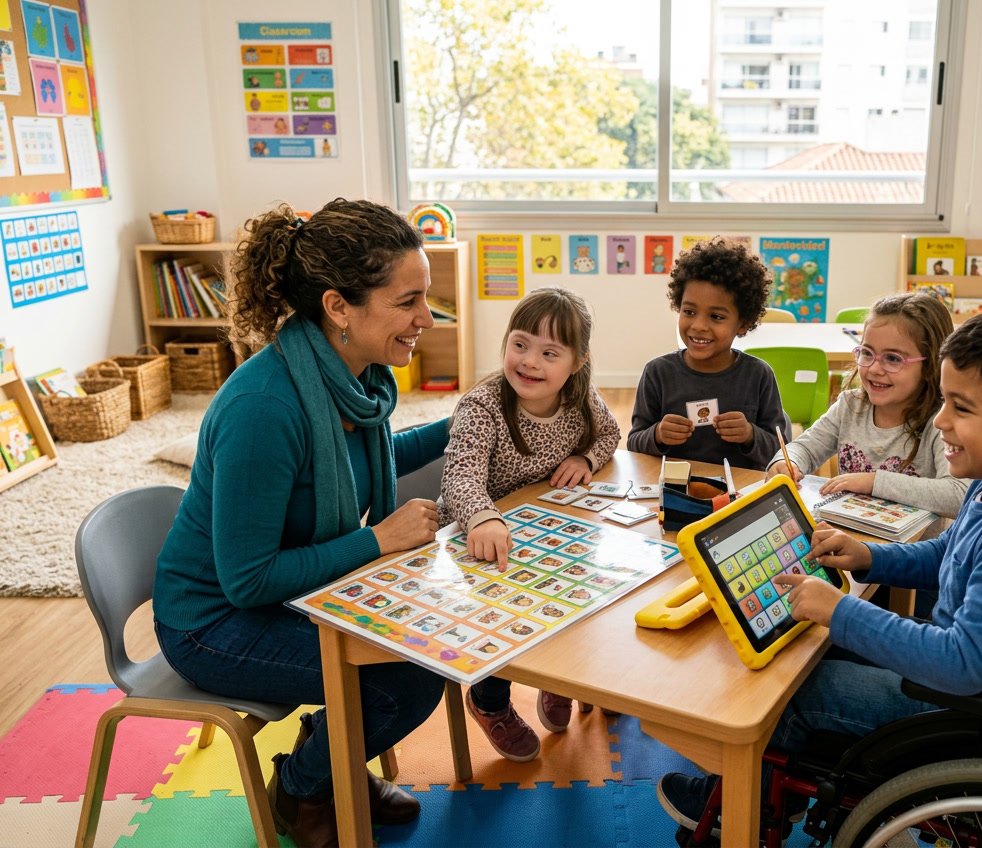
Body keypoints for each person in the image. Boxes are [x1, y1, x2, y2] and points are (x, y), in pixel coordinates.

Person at [658, 303, 982, 835]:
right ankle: (778, 787)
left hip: (976, 715)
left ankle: (742, 809)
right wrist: (871, 557)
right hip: (966, 686)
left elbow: (963, 664)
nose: (942, 420)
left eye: (960, 408)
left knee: (790, 692)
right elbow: (948, 555)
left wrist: (842, 610)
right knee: (807, 648)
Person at [152, 198, 450, 848]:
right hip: (211, 624)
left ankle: (331, 752)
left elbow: (363, 463)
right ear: (339, 307)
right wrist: (378, 540)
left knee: (427, 651)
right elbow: (249, 580)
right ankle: (303, 786)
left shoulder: (354, 378)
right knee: (406, 679)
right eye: (408, 301)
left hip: (287, 594)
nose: (426, 318)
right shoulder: (265, 407)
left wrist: (469, 423)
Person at [439, 286, 620, 762]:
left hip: (545, 525)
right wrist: (482, 518)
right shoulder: (483, 405)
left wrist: (585, 457)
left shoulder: (581, 398)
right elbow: (459, 476)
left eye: (549, 353)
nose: (530, 362)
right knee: (498, 619)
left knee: (575, 591)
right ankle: (489, 702)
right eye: (520, 344)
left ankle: (557, 675)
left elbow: (610, 433)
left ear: (577, 363)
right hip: (480, 533)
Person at [768, 291, 967, 519]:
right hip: (846, 534)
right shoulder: (850, 406)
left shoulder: (942, 421)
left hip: (915, 543)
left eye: (893, 358)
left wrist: (873, 482)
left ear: (931, 363)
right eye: (866, 353)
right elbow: (804, 448)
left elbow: (959, 495)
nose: (874, 369)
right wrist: (787, 462)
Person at [626, 237, 790, 470]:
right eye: (689, 311)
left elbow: (781, 450)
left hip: (740, 488)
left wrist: (750, 434)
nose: (699, 326)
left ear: (743, 324)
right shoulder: (658, 372)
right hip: (674, 487)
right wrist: (658, 434)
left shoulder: (758, 375)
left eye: (716, 317)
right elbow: (634, 443)